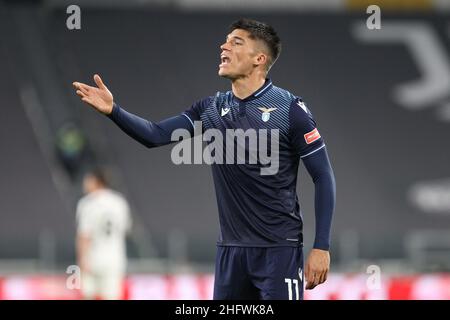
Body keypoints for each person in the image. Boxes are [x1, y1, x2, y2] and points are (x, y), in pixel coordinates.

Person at [73, 18, 336, 300]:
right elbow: (155, 135)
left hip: (278, 251)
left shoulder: (290, 109)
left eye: (236, 42)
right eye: (225, 40)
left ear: (259, 58)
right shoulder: (211, 108)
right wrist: (115, 111)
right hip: (230, 252)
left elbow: (323, 176)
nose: (223, 46)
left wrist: (321, 246)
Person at [76, 170, 132, 300]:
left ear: (97, 182)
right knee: (112, 296)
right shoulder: (120, 202)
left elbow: (84, 235)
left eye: (88, 180)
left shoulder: (88, 203)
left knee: (88, 295)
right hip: (115, 258)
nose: (85, 184)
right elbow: (125, 229)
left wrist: (82, 259)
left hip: (92, 258)